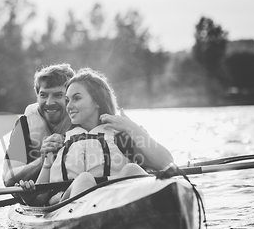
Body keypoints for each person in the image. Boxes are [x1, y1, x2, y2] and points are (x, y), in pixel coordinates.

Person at [18, 68, 174, 206]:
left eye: (76, 98)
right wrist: (28, 194)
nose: (69, 106)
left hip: (116, 205)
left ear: (97, 102)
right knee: (84, 179)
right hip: (67, 207)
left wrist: (133, 128)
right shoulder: (58, 141)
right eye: (67, 100)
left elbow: (167, 164)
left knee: (132, 169)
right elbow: (38, 200)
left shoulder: (121, 136)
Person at [2, 63, 75, 189]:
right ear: (37, 96)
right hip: (37, 194)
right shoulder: (25, 124)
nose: (49, 102)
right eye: (43, 95)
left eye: (58, 95)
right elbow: (8, 178)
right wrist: (43, 160)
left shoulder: (84, 118)